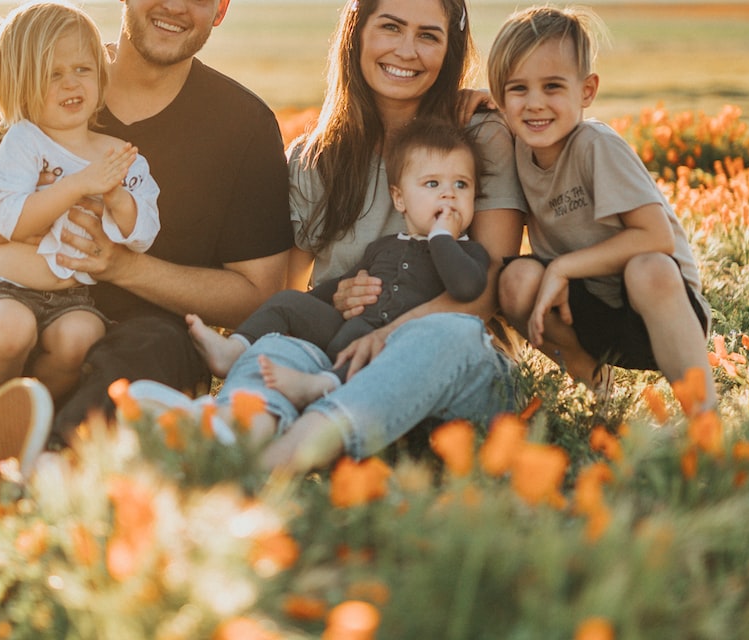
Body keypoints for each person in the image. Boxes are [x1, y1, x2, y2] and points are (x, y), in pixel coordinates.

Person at [0, 0, 292, 484]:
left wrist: (122, 267)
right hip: (4, 339)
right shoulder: (36, 71)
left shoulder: (243, 125)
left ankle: (46, 465)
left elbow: (257, 296)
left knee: (158, 345)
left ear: (221, 9)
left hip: (126, 357)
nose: (176, 5)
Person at [131, 0, 527, 474]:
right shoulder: (317, 156)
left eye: (428, 35)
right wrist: (335, 297)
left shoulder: (477, 135)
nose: (407, 50)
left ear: (450, 49)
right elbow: (285, 291)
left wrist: (386, 334)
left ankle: (277, 462)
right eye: (390, 27)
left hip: (452, 373)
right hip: (337, 363)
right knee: (276, 345)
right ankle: (232, 431)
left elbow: (488, 291)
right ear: (357, 33)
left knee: (446, 333)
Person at [487, 5, 716, 411]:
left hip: (658, 311)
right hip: (587, 315)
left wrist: (562, 267)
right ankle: (597, 389)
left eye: (553, 87)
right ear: (501, 97)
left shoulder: (596, 146)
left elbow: (656, 237)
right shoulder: (517, 147)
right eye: (518, 89)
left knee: (648, 268)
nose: (535, 104)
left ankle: (704, 418)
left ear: (587, 91)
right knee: (515, 279)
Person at [187, 117, 490, 408]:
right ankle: (234, 349)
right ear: (400, 199)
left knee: (369, 349)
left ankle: (321, 385)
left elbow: (465, 287)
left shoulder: (470, 254)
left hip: (395, 347)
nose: (449, 194)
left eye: (462, 185)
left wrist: (441, 237)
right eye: (433, 184)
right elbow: (339, 286)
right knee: (288, 302)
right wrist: (313, 303)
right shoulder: (384, 247)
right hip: (346, 330)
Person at [0, 1, 161, 405]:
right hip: (4, 290)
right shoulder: (22, 142)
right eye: (53, 74)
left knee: (81, 338)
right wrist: (78, 185)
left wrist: (115, 196)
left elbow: (142, 234)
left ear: (101, 76)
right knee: (10, 331)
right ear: (20, 84)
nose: (71, 84)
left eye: (82, 70)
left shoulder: (119, 155)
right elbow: (9, 221)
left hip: (72, 299)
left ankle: (29, 417)